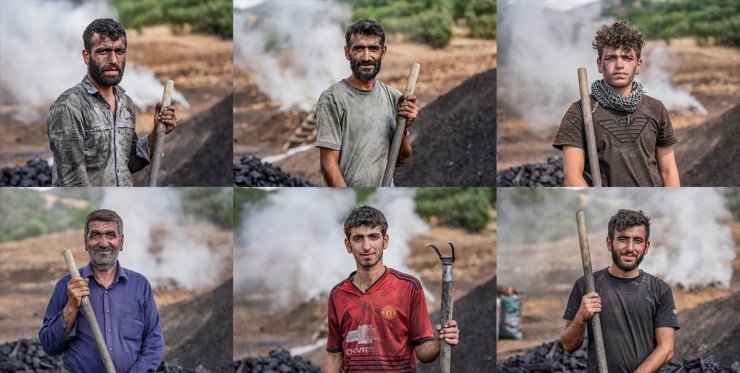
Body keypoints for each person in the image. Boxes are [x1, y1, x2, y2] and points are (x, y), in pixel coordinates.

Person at [325, 205, 459, 372]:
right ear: (348, 244)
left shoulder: (409, 288)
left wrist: (439, 343)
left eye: (373, 237)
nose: (366, 246)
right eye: (358, 238)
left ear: (385, 241)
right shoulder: (338, 295)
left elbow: (423, 351)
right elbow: (334, 356)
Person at [48, 18, 177, 186]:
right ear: (86, 56)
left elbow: (127, 163)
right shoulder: (69, 107)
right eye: (104, 51)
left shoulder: (126, 104)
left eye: (119, 51)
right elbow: (73, 181)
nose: (114, 60)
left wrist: (156, 134)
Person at [553, 21, 680, 187]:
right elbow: (572, 177)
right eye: (611, 57)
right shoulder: (580, 111)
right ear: (600, 64)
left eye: (627, 58)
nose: (619, 65)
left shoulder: (656, 108)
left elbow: (668, 171)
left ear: (638, 65)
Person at [39, 209, 164, 372]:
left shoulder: (140, 285)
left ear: (121, 242)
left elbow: (153, 343)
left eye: (111, 235)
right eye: (95, 235)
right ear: (86, 242)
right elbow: (49, 346)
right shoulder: (67, 285)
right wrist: (71, 306)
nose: (103, 243)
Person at [560, 209, 679, 372]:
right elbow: (568, 345)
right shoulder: (587, 285)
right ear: (610, 243)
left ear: (646, 246)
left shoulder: (659, 289)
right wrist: (581, 316)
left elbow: (666, 349)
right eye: (623, 239)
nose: (630, 248)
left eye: (638, 240)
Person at [316, 19, 418, 187]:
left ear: (383, 52)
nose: (366, 57)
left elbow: (400, 160)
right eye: (358, 49)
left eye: (373, 49)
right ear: (347, 52)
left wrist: (405, 127)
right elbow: (328, 166)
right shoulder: (333, 98)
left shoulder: (394, 98)